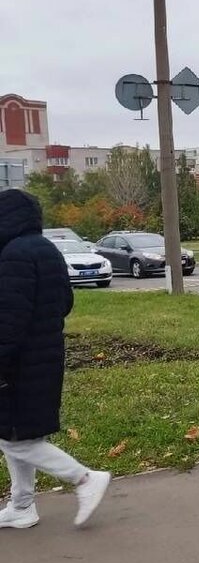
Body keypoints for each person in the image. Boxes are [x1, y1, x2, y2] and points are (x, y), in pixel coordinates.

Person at [0, 189, 111, 529]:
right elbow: (64, 302)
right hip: (44, 355)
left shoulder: (13, 255)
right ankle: (22, 506)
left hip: (18, 363)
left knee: (14, 438)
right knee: (20, 436)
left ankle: (85, 479)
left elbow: (9, 320)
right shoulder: (47, 249)